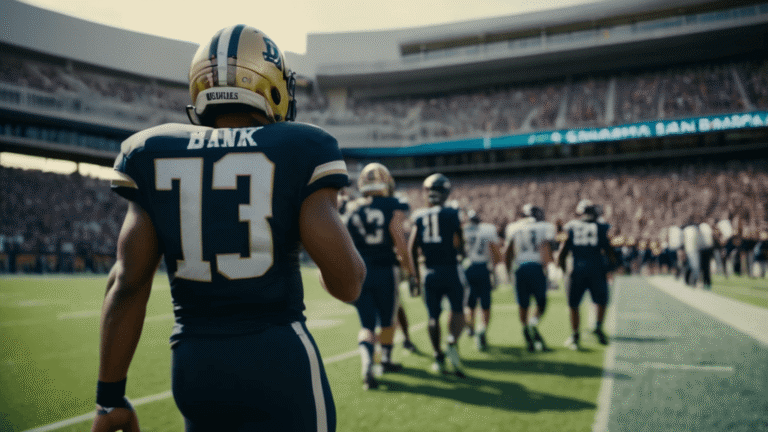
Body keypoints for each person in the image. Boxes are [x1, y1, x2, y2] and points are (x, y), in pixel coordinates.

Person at [91, 25, 365, 432]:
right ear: (270, 84)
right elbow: (348, 282)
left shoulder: (151, 151)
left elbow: (127, 284)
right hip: (278, 359)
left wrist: (109, 398)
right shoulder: (302, 146)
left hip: (195, 365)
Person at [343, 162, 416, 390]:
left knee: (367, 324)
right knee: (387, 319)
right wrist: (411, 273)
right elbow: (400, 243)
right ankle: (384, 360)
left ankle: (367, 365)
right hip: (385, 269)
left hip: (359, 271)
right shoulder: (392, 205)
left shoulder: (351, 208)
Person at [408, 173, 467, 377]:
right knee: (458, 311)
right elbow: (459, 242)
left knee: (433, 317)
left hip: (429, 272)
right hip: (450, 269)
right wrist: (460, 255)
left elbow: (411, 248)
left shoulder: (419, 215)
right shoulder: (452, 213)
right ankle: (452, 341)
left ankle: (437, 356)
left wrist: (414, 276)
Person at [557, 199, 617, 350]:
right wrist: (611, 268)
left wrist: (564, 270)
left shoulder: (571, 226)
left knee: (573, 304)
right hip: (596, 269)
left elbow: (563, 252)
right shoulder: (601, 227)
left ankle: (575, 334)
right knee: (601, 300)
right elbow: (609, 251)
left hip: (577, 269)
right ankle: (598, 327)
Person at [504, 204, 556, 352]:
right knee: (541, 302)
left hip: (520, 269)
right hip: (536, 268)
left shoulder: (514, 228)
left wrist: (507, 272)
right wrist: (551, 269)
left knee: (523, 304)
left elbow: (508, 252)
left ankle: (525, 328)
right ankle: (533, 323)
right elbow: (544, 249)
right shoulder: (544, 227)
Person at [462, 210, 501, 351]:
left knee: (469, 302)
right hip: (483, 268)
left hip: (467, 268)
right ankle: (482, 330)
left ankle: (470, 327)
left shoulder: (463, 230)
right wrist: (496, 269)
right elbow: (496, 253)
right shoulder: (487, 229)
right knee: (485, 303)